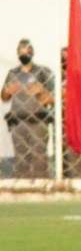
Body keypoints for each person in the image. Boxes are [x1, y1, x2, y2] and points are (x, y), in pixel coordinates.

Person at [3, 39, 56, 178]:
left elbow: (53, 99)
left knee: (39, 158)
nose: (23, 54)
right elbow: (4, 97)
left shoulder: (42, 72)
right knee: (20, 159)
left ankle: (42, 184)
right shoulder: (13, 73)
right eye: (20, 51)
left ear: (32, 52)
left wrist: (41, 92)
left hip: (38, 121)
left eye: (26, 50)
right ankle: (22, 185)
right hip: (18, 122)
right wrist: (7, 91)